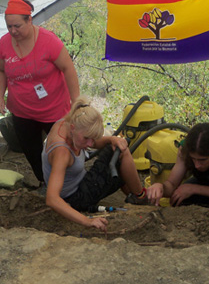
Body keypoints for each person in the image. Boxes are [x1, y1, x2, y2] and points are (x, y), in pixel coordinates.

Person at [0, 0, 80, 184]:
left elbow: (68, 69)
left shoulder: (49, 41)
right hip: (22, 110)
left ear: (29, 20)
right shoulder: (4, 44)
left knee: (62, 148)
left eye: (17, 26)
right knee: (31, 150)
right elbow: (1, 70)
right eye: (9, 27)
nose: (13, 31)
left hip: (54, 109)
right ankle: (45, 181)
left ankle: (67, 184)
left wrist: (76, 102)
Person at [42, 96, 148, 232]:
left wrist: (112, 139)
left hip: (78, 184)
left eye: (93, 139)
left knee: (115, 149)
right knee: (121, 154)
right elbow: (51, 199)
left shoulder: (67, 123)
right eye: (87, 139)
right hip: (75, 198)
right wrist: (87, 221)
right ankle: (140, 197)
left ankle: (133, 197)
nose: (91, 145)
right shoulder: (62, 152)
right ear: (73, 128)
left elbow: (93, 141)